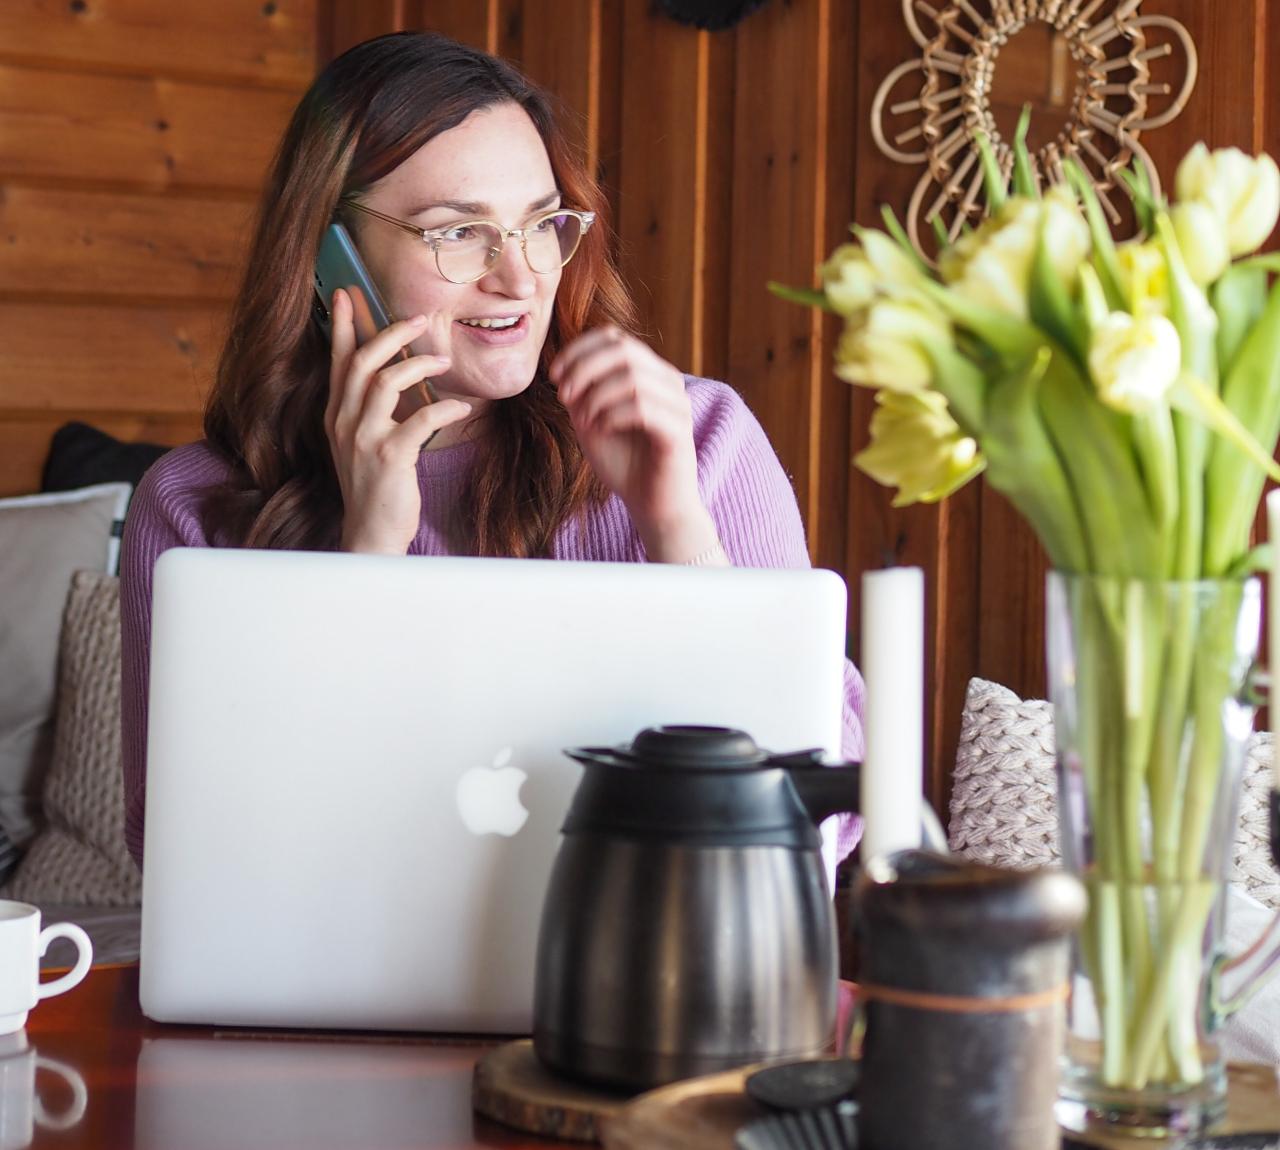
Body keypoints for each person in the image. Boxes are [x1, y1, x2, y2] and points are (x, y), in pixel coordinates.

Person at [119, 31, 865, 873]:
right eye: (459, 233)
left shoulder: (696, 438)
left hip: (639, 976)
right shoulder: (193, 503)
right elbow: (187, 860)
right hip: (329, 1001)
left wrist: (676, 531)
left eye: (541, 224)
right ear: (334, 259)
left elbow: (822, 819)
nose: (521, 278)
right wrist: (362, 563)